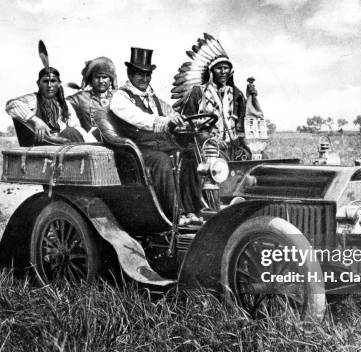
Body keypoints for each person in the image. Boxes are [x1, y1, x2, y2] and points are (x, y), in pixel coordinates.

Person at [109, 47, 203, 224]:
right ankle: (174, 215)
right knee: (161, 160)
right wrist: (165, 122)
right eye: (140, 74)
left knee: (191, 154)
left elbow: (169, 112)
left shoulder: (152, 97)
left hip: (158, 145)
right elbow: (140, 118)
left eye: (148, 75)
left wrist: (179, 119)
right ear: (130, 74)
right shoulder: (120, 98)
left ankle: (192, 210)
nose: (144, 79)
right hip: (134, 152)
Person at [6, 67, 95, 145]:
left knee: (81, 131)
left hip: (63, 144)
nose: (49, 85)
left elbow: (77, 128)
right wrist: (35, 120)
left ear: (59, 84)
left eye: (53, 81)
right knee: (70, 132)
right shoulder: (32, 100)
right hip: (41, 145)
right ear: (38, 83)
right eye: (45, 81)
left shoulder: (65, 104)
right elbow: (11, 105)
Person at [181, 54, 247, 157]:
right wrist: (209, 138)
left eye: (226, 68)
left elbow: (242, 122)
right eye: (219, 68)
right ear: (211, 71)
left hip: (232, 146)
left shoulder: (236, 94)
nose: (223, 72)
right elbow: (187, 122)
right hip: (205, 145)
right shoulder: (198, 92)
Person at [67, 57, 117, 141]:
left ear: (111, 80)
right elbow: (60, 103)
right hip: (90, 144)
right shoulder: (81, 97)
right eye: (97, 77)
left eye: (104, 77)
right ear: (91, 80)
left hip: (118, 143)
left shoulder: (119, 97)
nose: (101, 81)